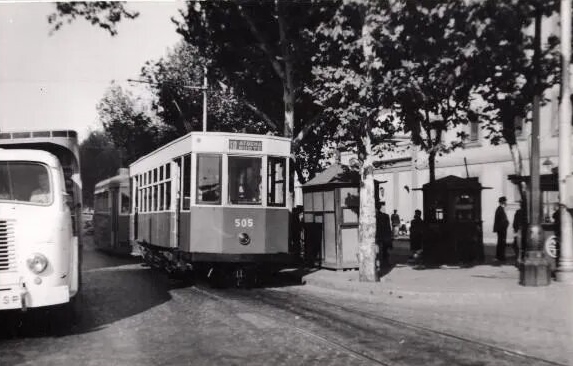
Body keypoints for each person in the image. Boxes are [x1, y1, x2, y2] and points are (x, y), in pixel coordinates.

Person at [376, 202, 393, 268]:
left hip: (379, 236)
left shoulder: (373, 216)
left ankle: (381, 264)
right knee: (384, 250)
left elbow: (388, 227)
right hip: (383, 236)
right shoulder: (385, 216)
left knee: (381, 251)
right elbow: (388, 228)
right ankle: (385, 263)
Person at [493, 196, 509, 262]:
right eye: (505, 201)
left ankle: (500, 256)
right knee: (501, 243)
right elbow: (502, 221)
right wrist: (506, 223)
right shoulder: (500, 209)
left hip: (501, 229)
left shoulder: (500, 209)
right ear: (502, 202)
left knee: (501, 243)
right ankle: (501, 257)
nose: (506, 202)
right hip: (501, 229)